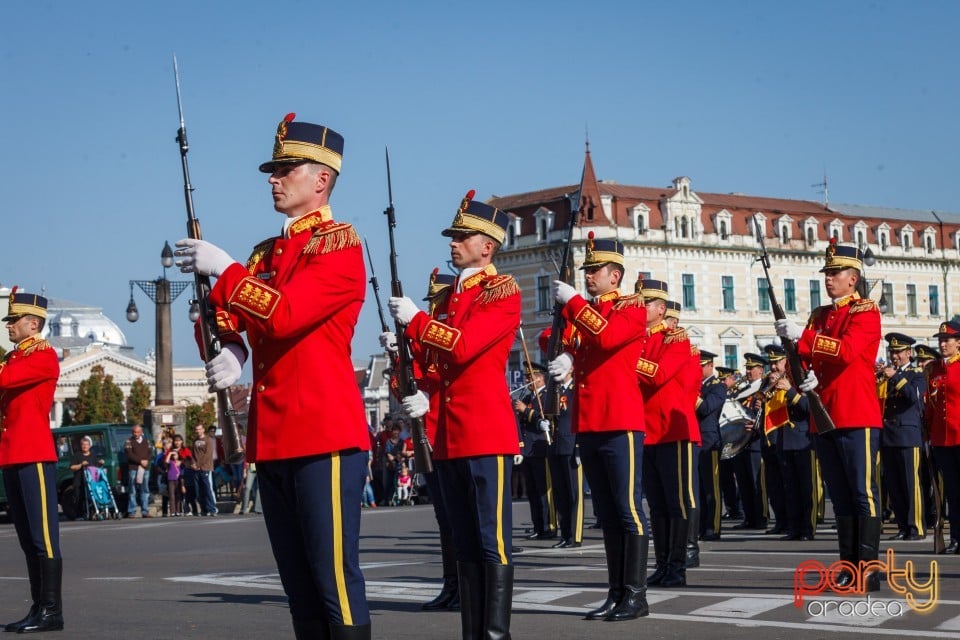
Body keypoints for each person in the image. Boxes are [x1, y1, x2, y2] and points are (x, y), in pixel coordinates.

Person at [175, 113, 371, 639]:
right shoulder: (267, 253)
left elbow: (284, 314)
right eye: (274, 168)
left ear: (321, 179)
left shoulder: (339, 244)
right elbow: (238, 320)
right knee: (299, 589)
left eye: (287, 168)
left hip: (324, 434)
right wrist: (231, 347)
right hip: (275, 436)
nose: (274, 177)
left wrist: (226, 268)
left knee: (334, 583)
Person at [389, 190, 520, 639]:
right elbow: (435, 357)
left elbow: (462, 346)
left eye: (462, 236)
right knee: (464, 543)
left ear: (487, 246)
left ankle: (494, 634)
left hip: (485, 431)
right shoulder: (451, 299)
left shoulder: (501, 291)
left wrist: (417, 323)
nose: (452, 243)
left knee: (491, 541)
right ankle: (472, 632)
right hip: (448, 432)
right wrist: (403, 347)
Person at [550, 234, 649, 621]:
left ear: (615, 276)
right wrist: (566, 358)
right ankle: (615, 592)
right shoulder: (588, 312)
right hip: (590, 421)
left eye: (595, 271)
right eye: (587, 270)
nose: (589, 276)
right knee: (606, 513)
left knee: (628, 511)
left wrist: (573, 301)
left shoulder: (632, 309)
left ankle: (636, 595)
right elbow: (582, 346)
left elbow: (607, 338)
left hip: (620, 420)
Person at [776, 239, 883, 590]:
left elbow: (848, 351)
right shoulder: (820, 315)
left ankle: (868, 568)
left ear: (853, 278)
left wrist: (802, 337)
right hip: (824, 415)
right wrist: (800, 372)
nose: (829, 278)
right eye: (827, 273)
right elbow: (801, 362)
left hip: (856, 413)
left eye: (835, 273)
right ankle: (848, 566)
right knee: (839, 494)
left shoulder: (865, 311)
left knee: (861, 493)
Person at [0, 288, 64, 633]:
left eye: (14, 320)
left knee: (43, 538)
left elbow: (5, 380)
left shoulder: (43, 356)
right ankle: (39, 607)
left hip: (34, 453)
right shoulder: (14, 357)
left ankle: (52, 610)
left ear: (33, 324)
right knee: (26, 538)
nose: (9, 326)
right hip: (12, 454)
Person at [636, 278, 696, 588]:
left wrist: (627, 358)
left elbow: (658, 375)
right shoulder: (636, 339)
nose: (639, 307)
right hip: (646, 431)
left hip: (672, 430)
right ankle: (661, 564)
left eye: (645, 303)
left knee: (678, 502)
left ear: (661, 309)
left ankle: (677, 565)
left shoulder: (676, 338)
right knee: (657, 504)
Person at [762, 344, 815, 541]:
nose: (774, 367)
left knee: (805, 488)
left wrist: (790, 391)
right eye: (772, 363)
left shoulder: (800, 380)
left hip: (802, 439)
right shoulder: (771, 382)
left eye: (777, 362)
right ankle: (793, 528)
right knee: (790, 488)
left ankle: (807, 529)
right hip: (783, 440)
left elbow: (809, 407)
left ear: (787, 361)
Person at [879, 333, 926, 541]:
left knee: (910, 483)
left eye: (898, 352)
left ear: (909, 353)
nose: (894, 356)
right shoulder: (887, 374)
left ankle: (916, 526)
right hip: (888, 435)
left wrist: (895, 377)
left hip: (908, 435)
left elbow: (914, 398)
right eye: (892, 352)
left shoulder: (917, 374)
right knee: (894, 485)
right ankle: (902, 526)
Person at [924, 321, 960, 553]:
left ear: (959, 343)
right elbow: (930, 405)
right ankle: (956, 537)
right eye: (940, 340)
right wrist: (928, 434)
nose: (943, 343)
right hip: (941, 439)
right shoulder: (933, 369)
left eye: (947, 340)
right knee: (952, 493)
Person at [513, 363, 556, 541]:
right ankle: (538, 525)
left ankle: (549, 526)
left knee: (543, 491)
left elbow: (545, 419)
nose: (528, 380)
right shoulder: (529, 396)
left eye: (531, 377)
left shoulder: (547, 396)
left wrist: (526, 411)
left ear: (540, 377)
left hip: (541, 447)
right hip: (529, 449)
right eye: (527, 377)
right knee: (531, 491)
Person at [694, 351, 726, 542]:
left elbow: (706, 408)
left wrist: (691, 394)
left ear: (709, 366)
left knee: (711, 488)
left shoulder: (718, 386)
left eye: (700, 366)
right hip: (695, 439)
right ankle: (700, 526)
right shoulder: (697, 385)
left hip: (709, 440)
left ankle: (713, 527)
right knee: (697, 487)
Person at [69, 435, 105, 519]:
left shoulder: (93, 456)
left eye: (86, 445)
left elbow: (96, 468)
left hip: (91, 481)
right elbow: (71, 467)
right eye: (83, 445)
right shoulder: (77, 455)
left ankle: (94, 512)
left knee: (92, 497)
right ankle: (79, 515)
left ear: (89, 446)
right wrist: (81, 465)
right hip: (79, 481)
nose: (85, 446)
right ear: (81, 446)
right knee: (79, 498)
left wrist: (100, 463)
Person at [124, 424, 152, 518]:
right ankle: (131, 511)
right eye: (134, 432)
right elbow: (129, 454)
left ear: (141, 432)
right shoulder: (129, 441)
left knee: (145, 489)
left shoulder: (147, 441)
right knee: (132, 490)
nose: (136, 434)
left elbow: (150, 452)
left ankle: (145, 511)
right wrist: (140, 461)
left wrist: (146, 461)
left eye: (138, 432)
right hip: (134, 468)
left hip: (145, 468)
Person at [190, 424, 218, 516]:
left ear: (203, 430)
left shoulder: (208, 440)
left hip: (205, 467)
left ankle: (212, 509)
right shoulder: (195, 441)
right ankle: (204, 509)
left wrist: (198, 464)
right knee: (198, 490)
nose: (198, 431)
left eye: (199, 429)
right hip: (196, 469)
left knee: (207, 489)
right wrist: (193, 464)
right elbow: (192, 454)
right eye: (196, 429)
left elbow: (207, 455)